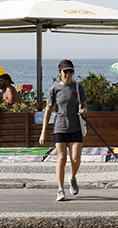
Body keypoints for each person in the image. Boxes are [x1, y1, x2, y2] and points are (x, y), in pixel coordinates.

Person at [39, 60, 87, 202]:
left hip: (76, 128)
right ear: (59, 72)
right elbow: (48, 111)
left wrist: (83, 110)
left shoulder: (78, 88)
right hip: (59, 127)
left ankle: (72, 177)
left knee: (76, 159)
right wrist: (43, 132)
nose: (68, 74)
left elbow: (85, 106)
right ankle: (60, 189)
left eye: (70, 71)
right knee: (61, 158)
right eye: (65, 71)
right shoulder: (54, 89)